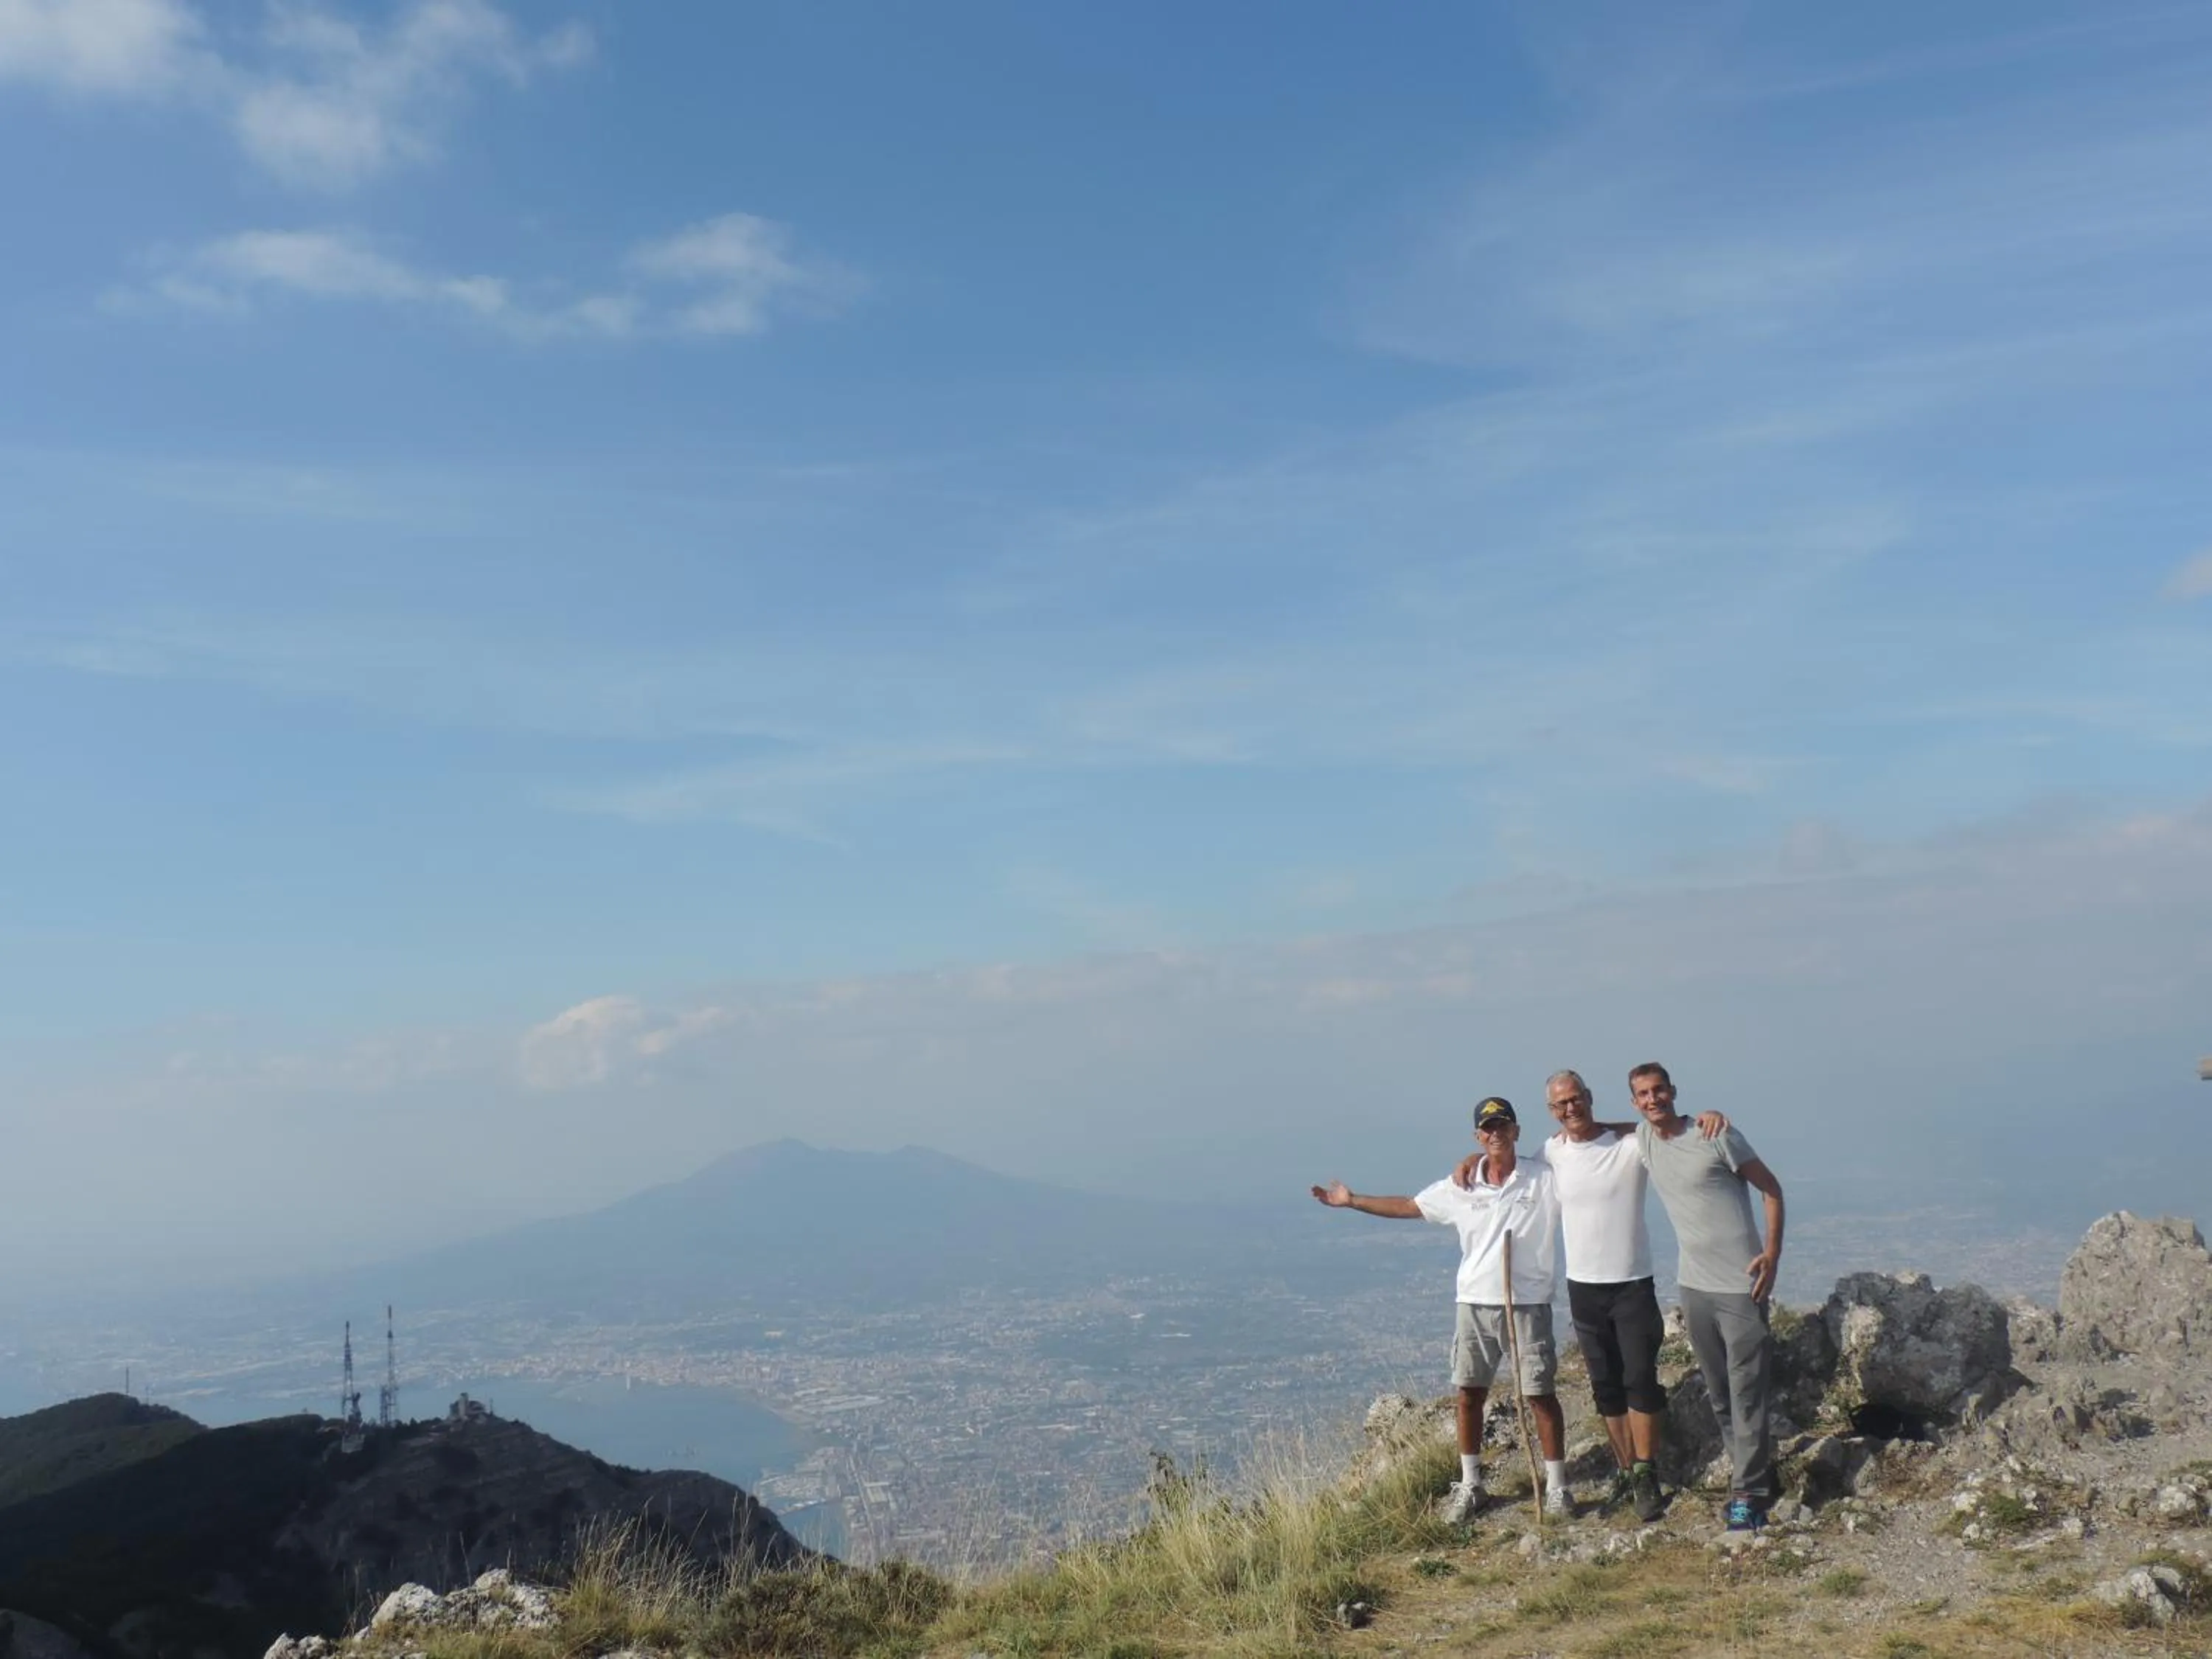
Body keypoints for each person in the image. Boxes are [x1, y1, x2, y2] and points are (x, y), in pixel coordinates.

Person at [1454, 1071, 1726, 1523]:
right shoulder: (1550, 1155)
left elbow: (1663, 1128)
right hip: (1583, 1287)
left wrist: (1704, 1118)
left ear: (1589, 1098)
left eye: (1575, 1099)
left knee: (1641, 1381)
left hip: (1633, 1282)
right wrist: (1470, 1158)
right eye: (1560, 1105)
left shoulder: (1631, 1143)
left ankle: (1645, 1472)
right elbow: (1505, 1160)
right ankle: (1625, 1471)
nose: (1569, 1109)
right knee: (1606, 1388)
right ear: (1551, 1111)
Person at [1312, 1096, 1571, 1520]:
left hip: (1526, 1303)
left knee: (1540, 1394)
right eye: (1487, 1129)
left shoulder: (1543, 1176)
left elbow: (1583, 1155)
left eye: (1503, 1125)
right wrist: (1353, 1199)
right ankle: (1471, 1484)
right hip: (1473, 1302)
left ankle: (1558, 1487)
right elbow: (1412, 1206)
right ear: (1477, 1136)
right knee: (1469, 1394)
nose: (1495, 1134)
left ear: (1516, 1131)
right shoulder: (1462, 1186)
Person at [1630, 1061, 1787, 1532]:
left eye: (1659, 1090)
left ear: (1673, 1091)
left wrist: (1772, 1254)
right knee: (1720, 1394)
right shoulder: (1643, 1139)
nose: (1653, 1099)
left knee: (1747, 1394)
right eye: (1643, 1094)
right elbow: (1596, 1131)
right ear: (1636, 1102)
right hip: (1693, 1288)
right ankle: (1754, 1477)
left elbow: (1772, 1188)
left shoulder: (1715, 1135)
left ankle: (1749, 1494)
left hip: (1741, 1285)